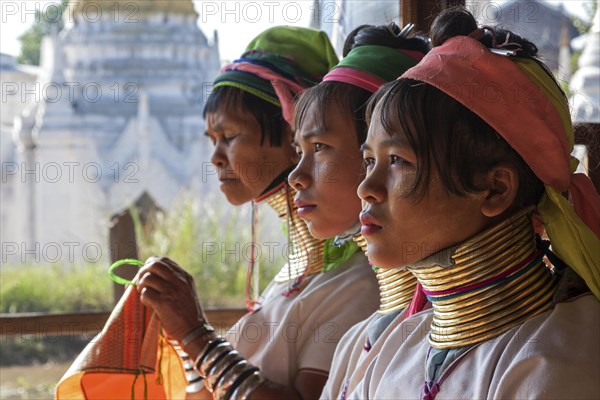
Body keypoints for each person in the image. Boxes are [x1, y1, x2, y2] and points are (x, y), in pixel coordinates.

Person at [327, 7, 600, 399]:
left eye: (398, 161)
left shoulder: (558, 358)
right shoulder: (403, 340)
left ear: (495, 189)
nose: (366, 187)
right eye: (370, 160)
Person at [134, 26, 381, 400]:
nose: (216, 158)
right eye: (212, 141)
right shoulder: (295, 272)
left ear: (289, 135)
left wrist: (195, 335)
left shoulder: (360, 281)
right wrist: (184, 339)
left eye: (230, 136)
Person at [288, 23, 430, 399]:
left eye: (319, 147)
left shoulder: (463, 332)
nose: (296, 177)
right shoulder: (360, 337)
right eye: (299, 151)